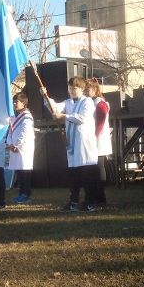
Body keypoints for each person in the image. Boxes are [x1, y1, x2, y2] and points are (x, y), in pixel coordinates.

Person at [42, 76, 99, 212]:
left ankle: (90, 202)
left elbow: (82, 118)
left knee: (87, 176)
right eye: (70, 88)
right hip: (72, 143)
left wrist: (64, 116)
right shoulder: (68, 102)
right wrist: (45, 96)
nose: (72, 91)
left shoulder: (87, 102)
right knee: (74, 176)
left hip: (84, 145)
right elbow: (55, 108)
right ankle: (73, 201)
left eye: (75, 88)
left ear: (82, 89)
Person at [85, 78, 111, 206]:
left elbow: (100, 123)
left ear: (95, 89)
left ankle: (101, 197)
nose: (85, 91)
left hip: (98, 140)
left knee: (99, 167)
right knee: (93, 169)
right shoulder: (88, 102)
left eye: (88, 89)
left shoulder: (100, 103)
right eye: (84, 89)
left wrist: (94, 138)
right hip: (91, 139)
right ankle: (94, 195)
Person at [7, 92, 35, 204]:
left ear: (23, 103)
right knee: (19, 171)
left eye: (17, 101)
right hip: (14, 147)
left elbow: (25, 132)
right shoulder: (14, 117)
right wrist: (10, 144)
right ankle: (21, 193)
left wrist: (16, 145)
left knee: (25, 172)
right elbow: (10, 133)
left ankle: (26, 195)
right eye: (14, 102)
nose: (15, 104)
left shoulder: (27, 116)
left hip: (23, 148)